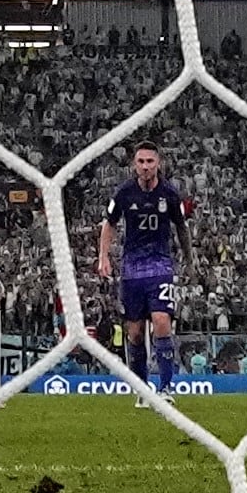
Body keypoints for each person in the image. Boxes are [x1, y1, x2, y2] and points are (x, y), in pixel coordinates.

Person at [97, 143, 192, 391]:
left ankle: (167, 387)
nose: (145, 166)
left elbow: (181, 227)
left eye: (150, 161)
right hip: (132, 269)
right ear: (134, 164)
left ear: (158, 163)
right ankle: (141, 388)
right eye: (141, 161)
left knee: (162, 321)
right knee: (135, 333)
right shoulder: (124, 193)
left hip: (160, 265)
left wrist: (190, 259)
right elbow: (109, 224)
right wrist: (103, 257)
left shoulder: (169, 193)